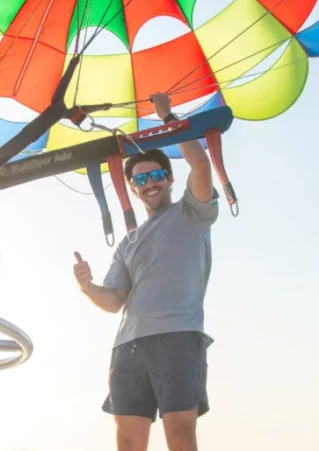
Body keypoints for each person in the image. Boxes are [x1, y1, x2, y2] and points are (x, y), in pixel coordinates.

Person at [73, 92, 220, 451]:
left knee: (180, 434)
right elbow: (114, 301)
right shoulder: (128, 242)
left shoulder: (192, 212)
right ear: (135, 190)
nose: (150, 183)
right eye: (141, 180)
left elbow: (200, 166)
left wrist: (168, 119)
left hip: (178, 336)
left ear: (169, 179)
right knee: (127, 442)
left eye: (156, 175)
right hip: (128, 346)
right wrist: (88, 286)